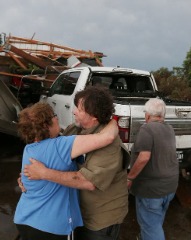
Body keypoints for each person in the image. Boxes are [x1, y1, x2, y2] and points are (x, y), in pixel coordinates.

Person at [22, 86, 128, 240]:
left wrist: (44, 174)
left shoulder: (109, 146)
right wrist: (26, 177)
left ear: (93, 116)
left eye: (79, 109)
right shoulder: (74, 129)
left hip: (99, 220)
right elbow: (50, 153)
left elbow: (88, 181)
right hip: (78, 214)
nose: (73, 111)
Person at [128, 98, 179, 240]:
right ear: (162, 115)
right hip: (169, 187)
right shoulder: (169, 129)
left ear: (148, 115)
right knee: (156, 222)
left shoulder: (147, 128)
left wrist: (130, 177)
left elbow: (144, 157)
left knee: (151, 227)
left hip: (151, 190)